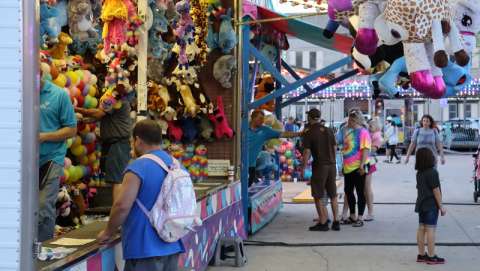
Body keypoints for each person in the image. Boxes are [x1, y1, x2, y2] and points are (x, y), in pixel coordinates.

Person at [97, 120, 184, 271]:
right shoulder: (175, 164)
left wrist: (108, 232)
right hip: (172, 243)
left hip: (144, 248)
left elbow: (122, 206)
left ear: (137, 140)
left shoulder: (138, 166)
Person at [39, 67, 78, 241]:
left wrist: (44, 137)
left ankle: (42, 249)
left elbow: (71, 129)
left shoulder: (58, 95)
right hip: (23, 160)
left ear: (40, 75)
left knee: (43, 206)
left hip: (51, 158)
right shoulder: (18, 93)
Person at [75, 96, 132, 201]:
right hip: (114, 144)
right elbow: (96, 117)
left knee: (117, 180)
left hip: (118, 144)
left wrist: (76, 109)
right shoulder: (115, 102)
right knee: (116, 179)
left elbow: (98, 113)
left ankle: (117, 211)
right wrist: (82, 119)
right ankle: (117, 210)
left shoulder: (118, 100)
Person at [301, 109, 340, 231]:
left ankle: (323, 222)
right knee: (333, 194)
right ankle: (336, 221)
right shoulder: (328, 130)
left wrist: (303, 167)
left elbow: (307, 151)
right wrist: (333, 161)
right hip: (332, 165)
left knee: (317, 195)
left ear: (310, 118)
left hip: (320, 166)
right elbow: (334, 147)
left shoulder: (309, 132)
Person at [248, 110, 302, 186]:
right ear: (253, 117)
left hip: (251, 165)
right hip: (240, 164)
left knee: (248, 185)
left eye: (263, 119)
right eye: (260, 118)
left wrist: (299, 133)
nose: (262, 121)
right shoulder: (244, 128)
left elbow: (283, 134)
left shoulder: (265, 130)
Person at [338, 109, 371, 227]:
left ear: (355, 120)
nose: (348, 121)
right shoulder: (348, 132)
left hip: (358, 167)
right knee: (348, 191)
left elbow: (365, 149)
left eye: (350, 119)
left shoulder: (363, 132)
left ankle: (360, 217)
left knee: (360, 192)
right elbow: (343, 146)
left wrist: (362, 165)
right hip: (348, 167)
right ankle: (352, 215)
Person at [415, 148, 446, 264]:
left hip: (421, 204)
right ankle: (432, 256)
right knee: (431, 229)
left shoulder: (419, 173)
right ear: (430, 159)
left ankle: (421, 254)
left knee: (421, 228)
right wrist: (441, 206)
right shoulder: (433, 172)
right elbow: (436, 190)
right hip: (431, 205)